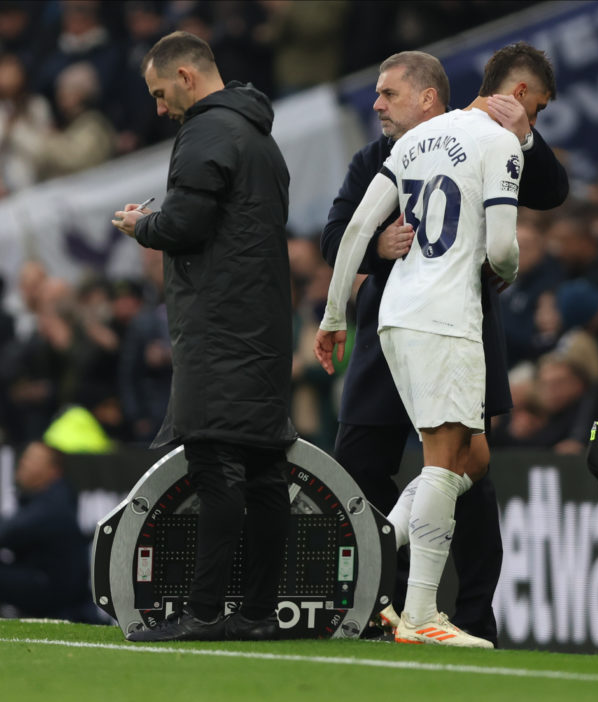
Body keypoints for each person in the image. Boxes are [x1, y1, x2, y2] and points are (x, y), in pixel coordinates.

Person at [318, 44, 567, 644]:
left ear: (428, 97)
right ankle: (403, 608)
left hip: (417, 324)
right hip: (432, 324)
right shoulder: (384, 154)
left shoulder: (486, 140)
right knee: (389, 465)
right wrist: (383, 249)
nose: (377, 103)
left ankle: (464, 613)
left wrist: (333, 316)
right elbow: (341, 235)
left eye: (388, 93)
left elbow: (552, 189)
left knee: (470, 469)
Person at [111, 31, 295, 642]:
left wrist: (143, 225)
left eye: (162, 94)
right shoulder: (260, 134)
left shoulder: (208, 130)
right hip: (265, 327)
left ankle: (206, 613)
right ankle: (258, 614)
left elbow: (187, 222)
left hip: (219, 329)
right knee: (266, 472)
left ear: (187, 77)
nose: (160, 109)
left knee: (216, 467)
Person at [0, 441, 96, 622]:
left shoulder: (53, 504)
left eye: (32, 459)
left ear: (54, 471)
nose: (23, 463)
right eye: (25, 457)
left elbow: (10, 531)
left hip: (57, 590)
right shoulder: (44, 497)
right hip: (47, 580)